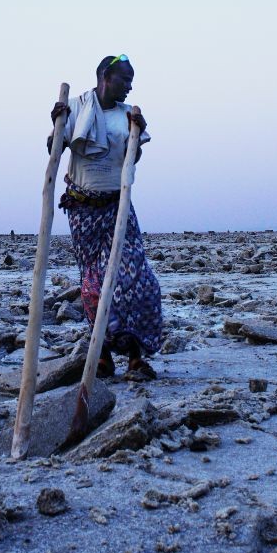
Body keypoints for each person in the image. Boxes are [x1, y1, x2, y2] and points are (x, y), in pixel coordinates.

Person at [48, 54, 162, 379]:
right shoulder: (76, 107)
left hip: (118, 206)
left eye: (131, 80)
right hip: (82, 207)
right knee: (92, 284)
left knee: (136, 279)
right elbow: (54, 147)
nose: (129, 86)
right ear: (104, 77)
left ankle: (136, 357)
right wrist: (56, 127)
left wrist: (136, 136)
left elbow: (132, 157)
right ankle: (103, 354)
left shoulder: (130, 115)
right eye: (124, 79)